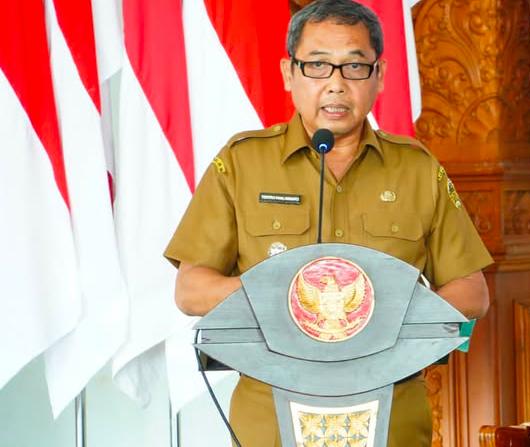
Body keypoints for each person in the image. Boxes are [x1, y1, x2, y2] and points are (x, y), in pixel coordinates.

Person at [164, 1, 493, 446]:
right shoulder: (242, 163)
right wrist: (293, 295)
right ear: (289, 73)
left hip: (392, 412)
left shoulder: (416, 169)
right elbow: (191, 290)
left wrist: (380, 308)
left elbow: (471, 292)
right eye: (317, 65)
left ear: (379, 75)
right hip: (270, 416)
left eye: (354, 67)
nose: (336, 84)